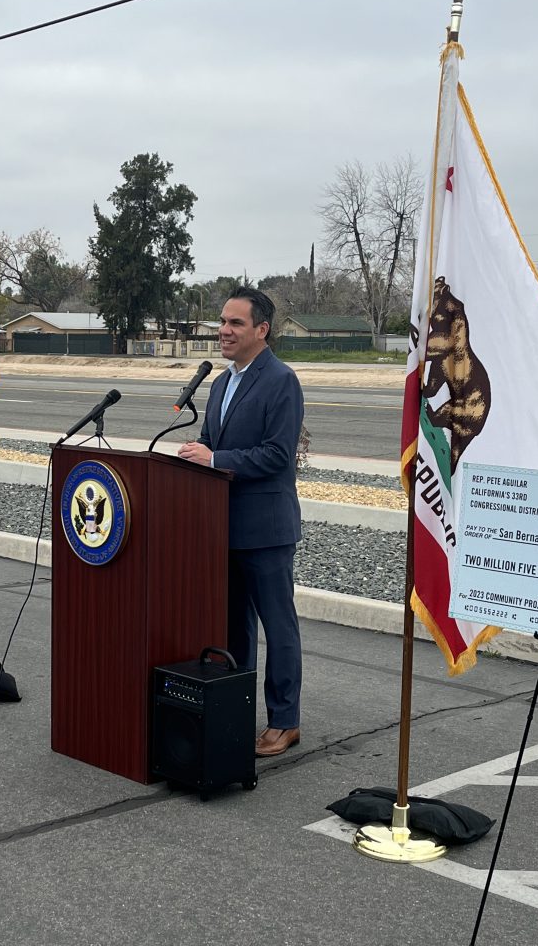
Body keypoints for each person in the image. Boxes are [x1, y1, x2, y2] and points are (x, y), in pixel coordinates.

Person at [178, 287, 304, 758]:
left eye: (235, 323)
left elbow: (277, 454)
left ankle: (285, 721)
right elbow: (211, 441)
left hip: (266, 530)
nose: (223, 331)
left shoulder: (281, 380)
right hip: (223, 528)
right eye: (222, 321)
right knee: (234, 630)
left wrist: (215, 458)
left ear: (261, 330)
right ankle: (235, 712)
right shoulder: (220, 384)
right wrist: (196, 455)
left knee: (279, 627)